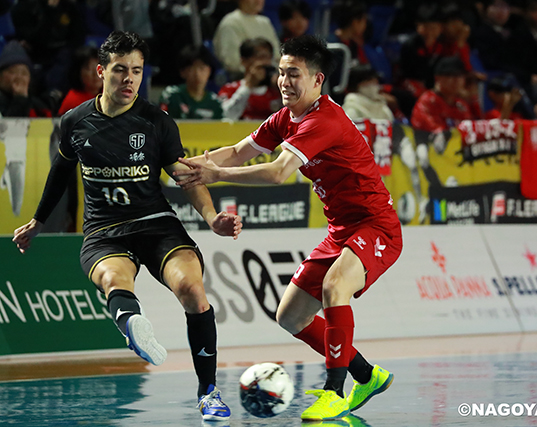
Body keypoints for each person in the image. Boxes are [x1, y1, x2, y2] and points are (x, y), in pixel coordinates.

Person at [12, 31, 241, 422]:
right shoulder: (75, 121)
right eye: (120, 70)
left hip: (156, 225)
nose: (129, 79)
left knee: (193, 290)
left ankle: (208, 392)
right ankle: (133, 324)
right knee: (114, 279)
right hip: (103, 231)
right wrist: (37, 221)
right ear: (101, 71)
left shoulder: (156, 122)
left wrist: (211, 218)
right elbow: (60, 173)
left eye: (136, 71)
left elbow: (186, 178)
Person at [174, 35, 402, 421]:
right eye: (281, 73)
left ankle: (334, 392)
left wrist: (216, 175)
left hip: (376, 227)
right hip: (341, 231)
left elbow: (279, 172)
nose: (284, 81)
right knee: (291, 317)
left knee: (335, 287)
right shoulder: (285, 117)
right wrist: (189, 166)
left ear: (317, 80)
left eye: (294, 74)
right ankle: (367, 375)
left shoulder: (323, 120)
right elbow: (239, 151)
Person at [212, 0, 281, 79]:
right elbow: (232, 62)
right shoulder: (230, 23)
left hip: (270, 75)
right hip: (242, 78)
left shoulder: (265, 22)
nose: (258, 1)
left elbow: (277, 55)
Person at [217, 37, 282, 121]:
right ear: (244, 61)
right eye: (260, 57)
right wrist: (247, 86)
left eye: (269, 57)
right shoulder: (230, 89)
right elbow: (226, 116)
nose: (265, 63)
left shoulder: (277, 90)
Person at [158, 44, 225, 120]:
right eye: (191, 69)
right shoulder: (172, 96)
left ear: (209, 71)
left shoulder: (215, 103)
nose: (197, 74)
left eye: (202, 68)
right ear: (182, 72)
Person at [410, 56, 473, 133]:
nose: (457, 80)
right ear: (438, 78)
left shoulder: (462, 105)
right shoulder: (428, 101)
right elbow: (437, 134)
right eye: (451, 75)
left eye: (460, 75)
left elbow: (470, 132)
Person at [0, 40, 52, 117]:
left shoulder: (39, 107)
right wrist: (20, 98)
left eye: (24, 73)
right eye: (12, 72)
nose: (19, 77)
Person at [58, 46, 103, 115]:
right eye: (89, 68)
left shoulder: (111, 94)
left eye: (99, 67)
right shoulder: (73, 101)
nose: (96, 73)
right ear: (78, 72)